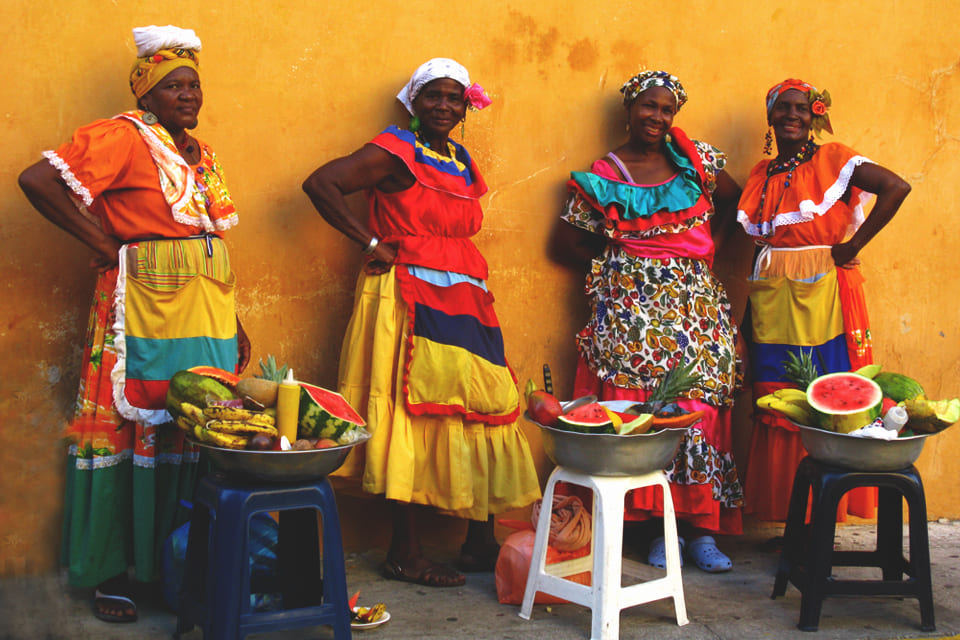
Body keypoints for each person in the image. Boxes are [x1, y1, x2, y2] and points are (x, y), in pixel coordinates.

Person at [18, 25, 249, 623]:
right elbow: (38, 181)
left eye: (194, 85)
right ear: (145, 91)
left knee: (193, 428)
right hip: (139, 310)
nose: (188, 96)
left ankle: (171, 566)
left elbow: (205, 241)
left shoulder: (202, 155)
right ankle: (112, 572)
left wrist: (233, 317)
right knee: (127, 427)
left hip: (205, 315)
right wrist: (104, 243)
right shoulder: (122, 137)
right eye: (173, 86)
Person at [302, 58, 540, 587]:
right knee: (410, 411)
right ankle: (404, 552)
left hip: (465, 298)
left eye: (454, 97)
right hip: (406, 296)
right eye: (433, 95)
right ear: (414, 101)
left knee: (483, 403)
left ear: (465, 106)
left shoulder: (459, 157)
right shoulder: (395, 149)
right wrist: (370, 243)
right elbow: (321, 184)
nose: (445, 106)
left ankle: (479, 541)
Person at [554, 70, 744, 572]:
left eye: (665, 109)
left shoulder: (698, 162)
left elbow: (737, 200)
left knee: (699, 406)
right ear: (629, 110)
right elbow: (568, 241)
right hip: (631, 310)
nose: (656, 117)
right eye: (647, 107)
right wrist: (627, 258)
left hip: (697, 306)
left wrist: (714, 246)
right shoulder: (607, 171)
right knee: (644, 412)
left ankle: (701, 530)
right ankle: (659, 530)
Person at [737, 79, 910, 522]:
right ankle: (787, 511)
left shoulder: (833, 159)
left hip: (823, 291)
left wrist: (851, 248)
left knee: (821, 390)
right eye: (783, 108)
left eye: (802, 108)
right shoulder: (763, 174)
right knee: (778, 394)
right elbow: (762, 247)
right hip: (772, 293)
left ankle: (819, 515)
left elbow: (896, 187)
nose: (792, 115)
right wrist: (744, 321)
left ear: (815, 116)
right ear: (771, 116)